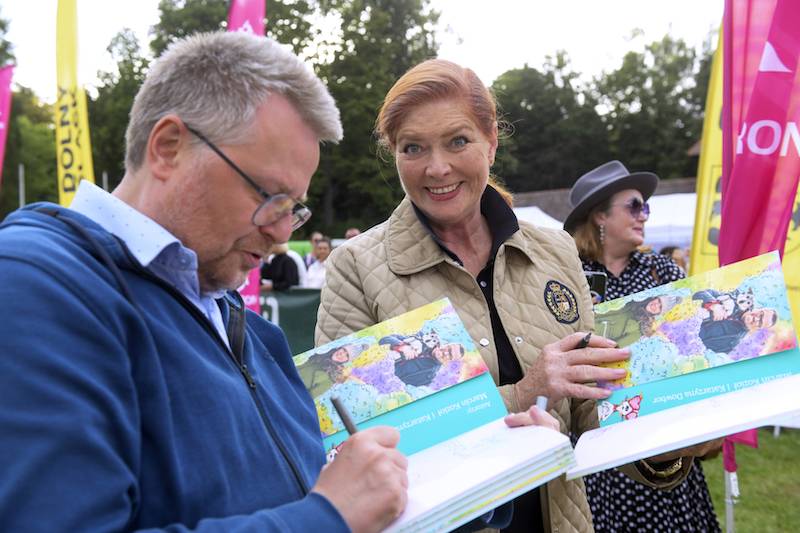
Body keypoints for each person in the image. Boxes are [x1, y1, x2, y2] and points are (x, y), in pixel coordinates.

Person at [0, 32, 413, 533]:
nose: (283, 232)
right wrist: (328, 518)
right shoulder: (36, 283)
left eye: (294, 208)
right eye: (270, 196)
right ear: (169, 147)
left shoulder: (243, 322)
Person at [315, 59, 710, 533]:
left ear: (492, 143)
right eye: (412, 148)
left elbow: (591, 406)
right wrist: (523, 394)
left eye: (457, 141)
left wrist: (665, 434)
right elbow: (351, 446)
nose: (436, 167)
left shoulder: (554, 250)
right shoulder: (356, 267)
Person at [565, 160, 721, 532]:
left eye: (646, 206)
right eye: (634, 206)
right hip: (603, 438)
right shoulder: (569, 278)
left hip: (667, 432)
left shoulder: (662, 271)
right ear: (600, 215)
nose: (644, 215)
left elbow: (697, 341)